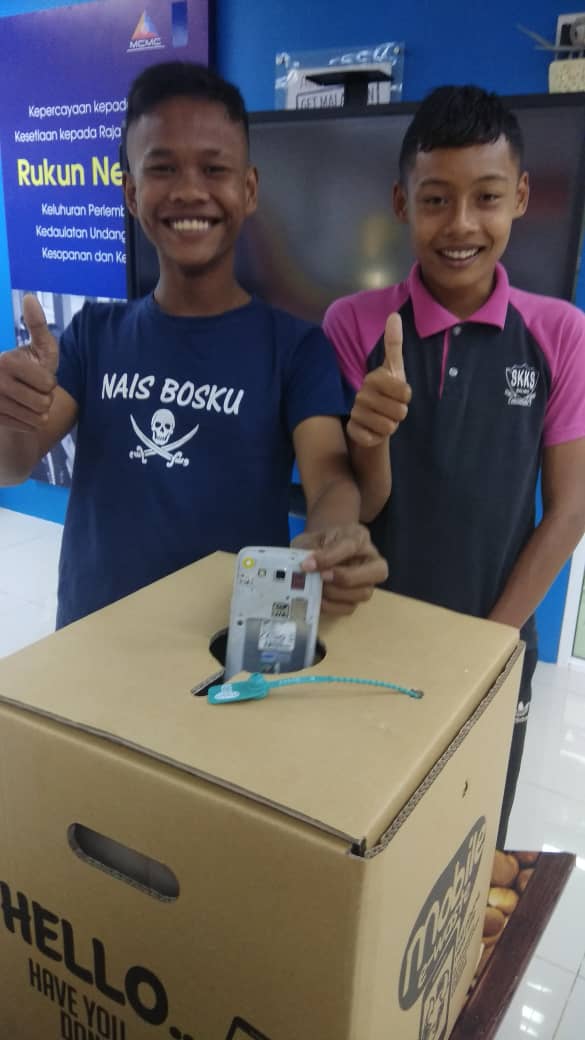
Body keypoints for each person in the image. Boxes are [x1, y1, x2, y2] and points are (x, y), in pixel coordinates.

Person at [0, 61, 387, 629]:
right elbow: (12, 465)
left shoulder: (295, 349)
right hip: (93, 641)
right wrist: (10, 414)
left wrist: (332, 537)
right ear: (131, 193)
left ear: (248, 189)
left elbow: (329, 477)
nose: (188, 190)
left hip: (230, 642)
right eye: (162, 168)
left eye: (214, 168)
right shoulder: (93, 334)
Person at [324, 85, 585, 848]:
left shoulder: (560, 333)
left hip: (494, 639)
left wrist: (489, 647)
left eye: (486, 198)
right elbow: (354, 506)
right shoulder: (352, 324)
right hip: (368, 635)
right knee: (363, 826)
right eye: (436, 199)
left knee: (470, 831)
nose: (461, 224)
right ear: (401, 203)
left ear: (520, 198)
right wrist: (369, 438)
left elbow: (569, 508)